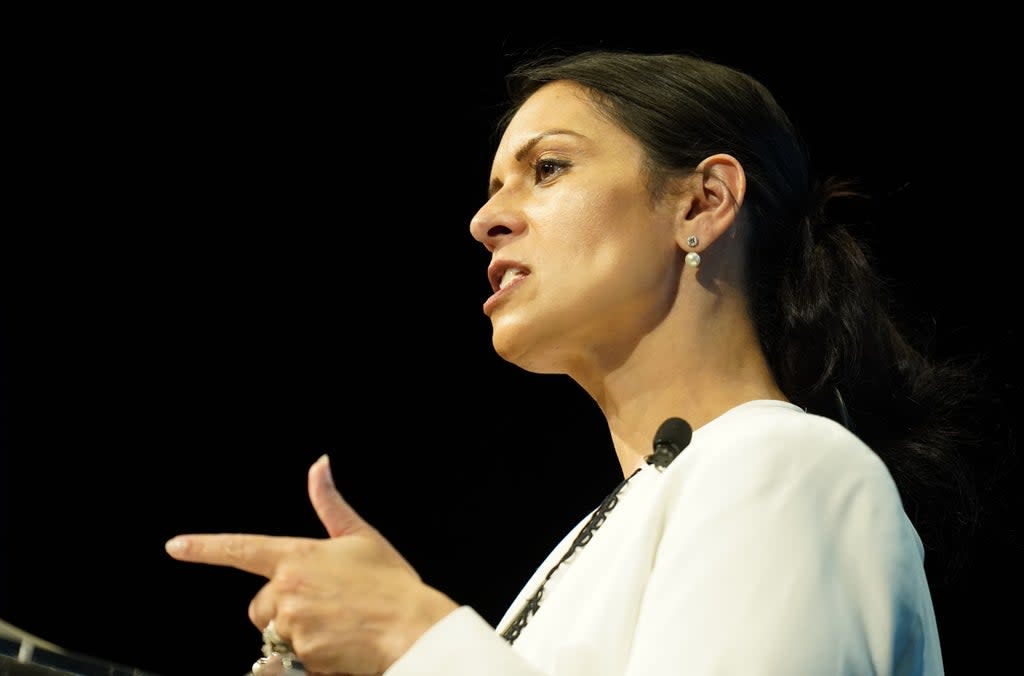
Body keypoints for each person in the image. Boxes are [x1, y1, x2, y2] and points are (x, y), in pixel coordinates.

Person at [164, 47, 992, 675]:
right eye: (494, 184)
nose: (486, 218)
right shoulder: (617, 528)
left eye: (546, 168)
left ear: (704, 201)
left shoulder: (789, 465)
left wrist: (412, 638)